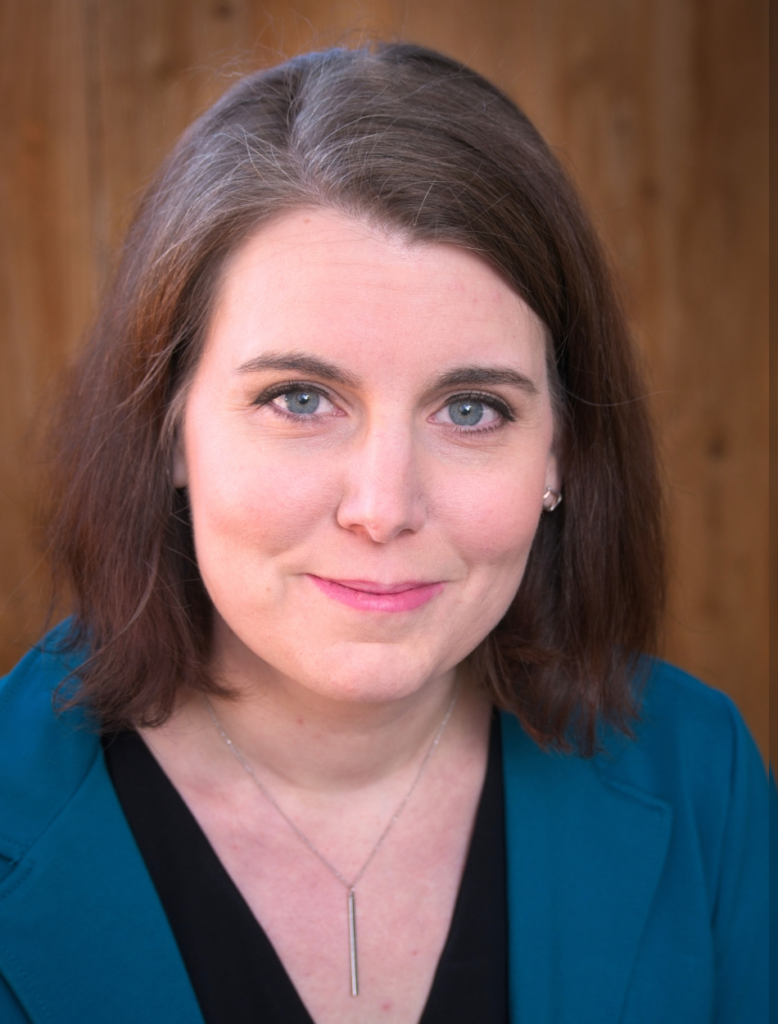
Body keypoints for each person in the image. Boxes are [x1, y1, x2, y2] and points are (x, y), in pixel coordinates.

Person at [0, 43, 768, 1024]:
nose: (383, 505)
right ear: (169, 430)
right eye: (300, 397)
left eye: (472, 408)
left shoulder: (700, 772)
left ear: (560, 455)